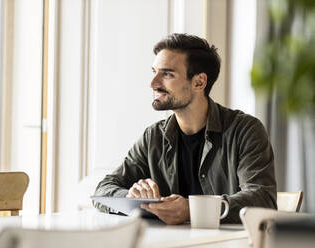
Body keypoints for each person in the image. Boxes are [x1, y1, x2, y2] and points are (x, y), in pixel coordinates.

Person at [93, 33, 277, 224]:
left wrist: (193, 210)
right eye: (154, 72)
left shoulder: (245, 130)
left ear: (199, 82)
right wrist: (132, 197)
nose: (153, 83)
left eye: (167, 74)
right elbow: (104, 189)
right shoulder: (153, 137)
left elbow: (263, 199)